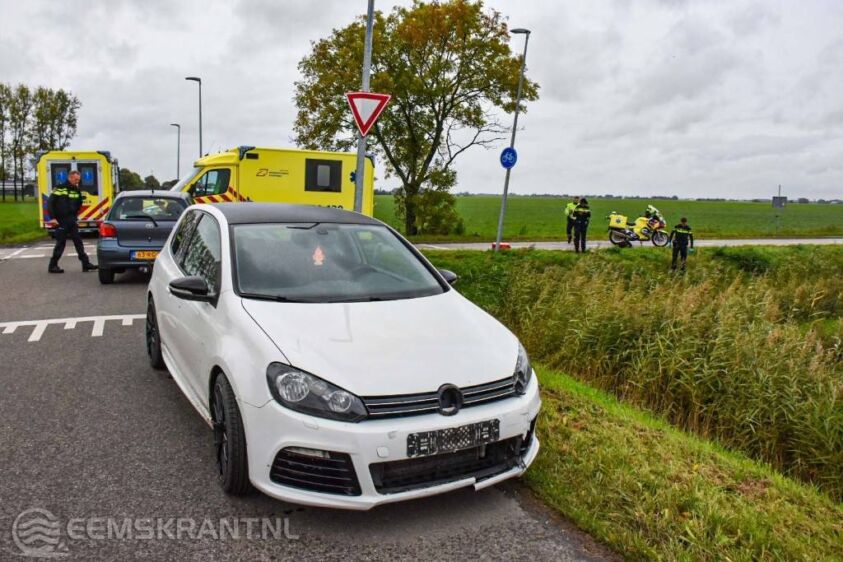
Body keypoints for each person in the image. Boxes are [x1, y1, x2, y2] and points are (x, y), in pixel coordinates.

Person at [47, 170, 97, 274]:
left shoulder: (76, 189)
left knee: (78, 242)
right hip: (61, 220)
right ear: (70, 177)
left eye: (78, 180)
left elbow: (79, 203)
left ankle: (85, 264)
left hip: (71, 219)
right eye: (75, 179)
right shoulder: (60, 188)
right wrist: (52, 218)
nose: (77, 181)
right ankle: (53, 265)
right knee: (61, 243)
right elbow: (50, 203)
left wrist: (75, 216)